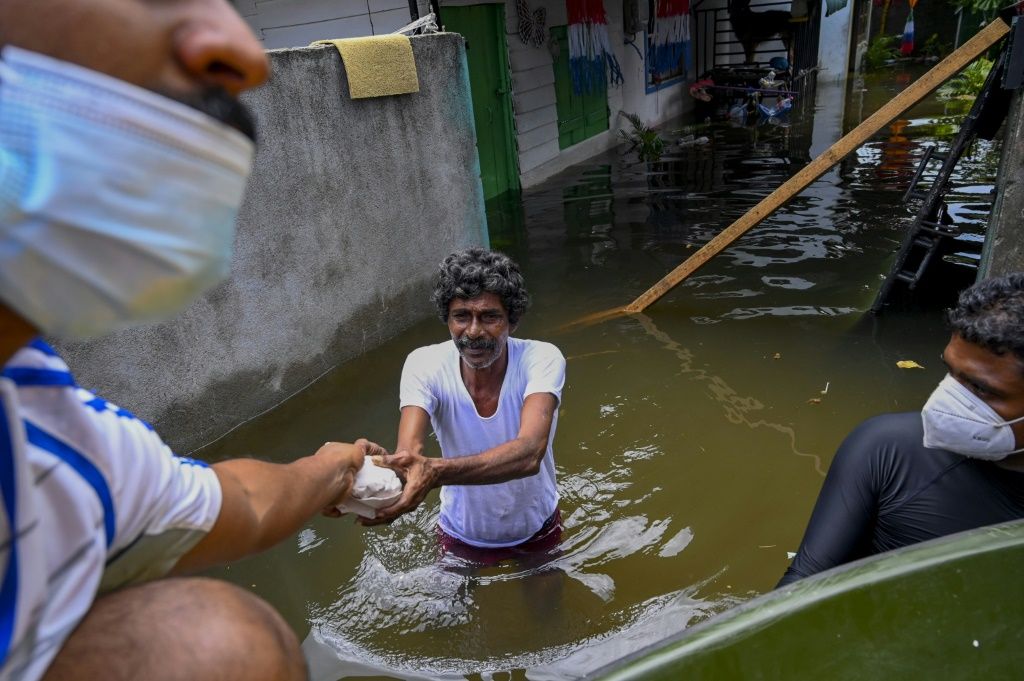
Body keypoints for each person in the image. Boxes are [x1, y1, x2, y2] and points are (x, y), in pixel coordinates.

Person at [0, 2, 386, 679]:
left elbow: (244, 501)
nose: (247, 52)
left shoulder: (55, 449)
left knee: (221, 648)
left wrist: (337, 465)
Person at [778, 274, 1024, 588]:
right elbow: (800, 588)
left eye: (980, 388)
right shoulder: (889, 452)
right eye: (951, 372)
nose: (949, 401)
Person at [364, 248, 566, 563]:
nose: (473, 332)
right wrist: (376, 471)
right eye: (461, 316)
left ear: (512, 321)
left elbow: (529, 453)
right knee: (452, 611)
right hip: (458, 533)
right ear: (447, 318)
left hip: (536, 529)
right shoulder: (424, 364)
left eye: (489, 317)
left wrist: (433, 472)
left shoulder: (541, 359)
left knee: (546, 608)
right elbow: (410, 456)